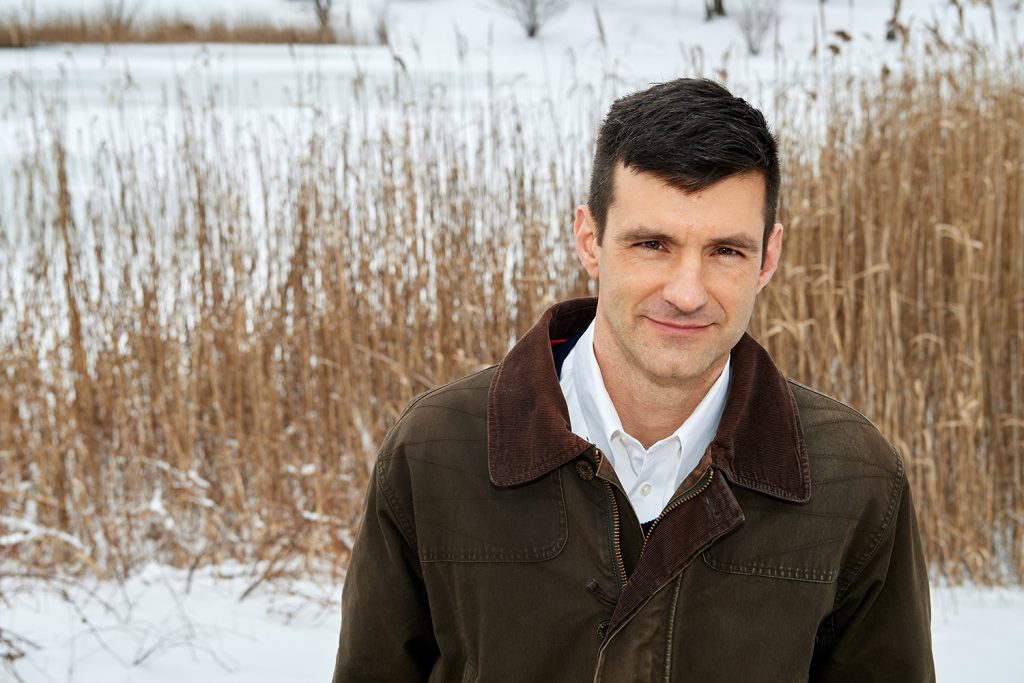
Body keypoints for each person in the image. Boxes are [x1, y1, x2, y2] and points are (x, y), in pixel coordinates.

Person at [332, 78, 934, 682]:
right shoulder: (437, 452)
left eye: (726, 251)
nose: (687, 293)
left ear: (769, 258)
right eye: (652, 244)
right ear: (590, 240)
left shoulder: (853, 478)